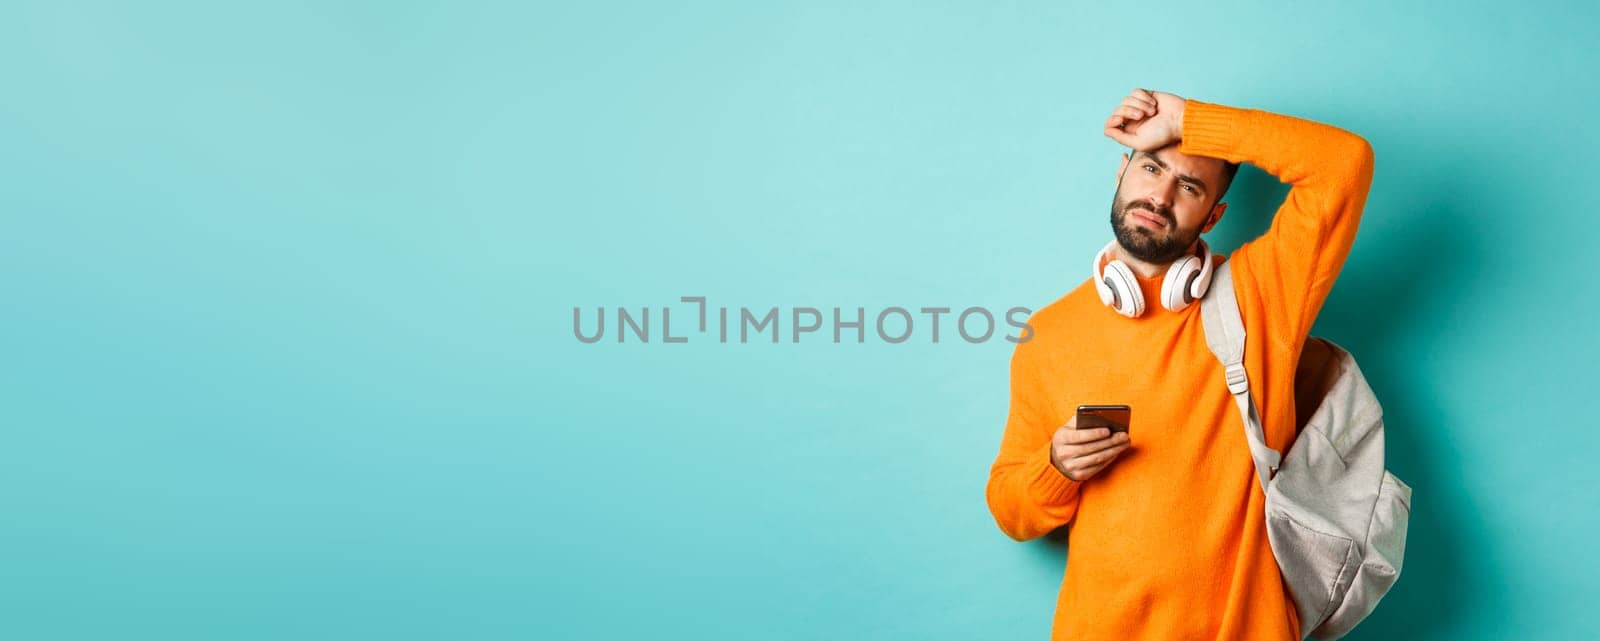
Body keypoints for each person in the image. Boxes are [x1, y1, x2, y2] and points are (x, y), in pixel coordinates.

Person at [984, 88, 1375, 640]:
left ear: (1214, 215)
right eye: (1150, 168)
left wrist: (1186, 120)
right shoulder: (1048, 334)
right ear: (1121, 172)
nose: (1160, 195)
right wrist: (1056, 467)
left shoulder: (1260, 297)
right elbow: (1009, 509)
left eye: (1188, 186)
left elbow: (1344, 164)